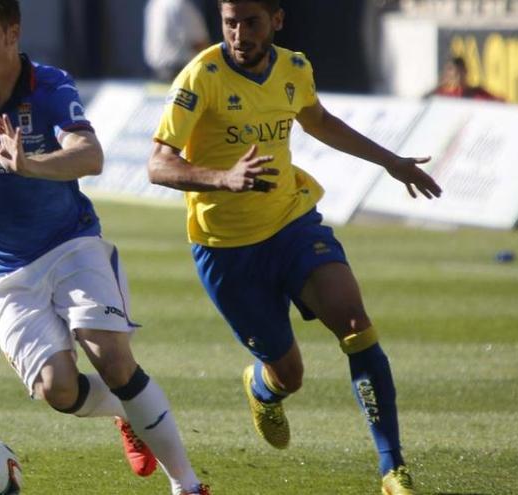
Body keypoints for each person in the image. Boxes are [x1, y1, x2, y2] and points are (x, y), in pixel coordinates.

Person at [0, 1, 209, 494]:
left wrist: (31, 163)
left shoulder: (49, 87)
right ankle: (127, 411)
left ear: (12, 34)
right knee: (59, 389)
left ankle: (187, 484)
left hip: (68, 243)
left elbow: (89, 155)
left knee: (112, 358)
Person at [146, 1, 442, 494]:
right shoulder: (200, 77)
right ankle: (263, 389)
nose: (239, 34)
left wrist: (390, 161)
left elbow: (320, 121)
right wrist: (223, 178)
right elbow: (158, 164)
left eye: (252, 22)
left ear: (277, 20)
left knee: (355, 323)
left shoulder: (295, 68)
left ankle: (392, 470)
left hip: (292, 224)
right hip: (227, 250)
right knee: (289, 374)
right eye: (230, 22)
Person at [144, 0, 211, 82]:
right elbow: (199, 42)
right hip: (179, 72)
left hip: (157, 72)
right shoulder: (181, 4)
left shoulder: (155, 4)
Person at [428, 56, 503, 101]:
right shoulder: (440, 95)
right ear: (446, 75)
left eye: (459, 74)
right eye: (454, 76)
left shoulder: (476, 93)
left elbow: (499, 103)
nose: (457, 79)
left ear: (465, 72)